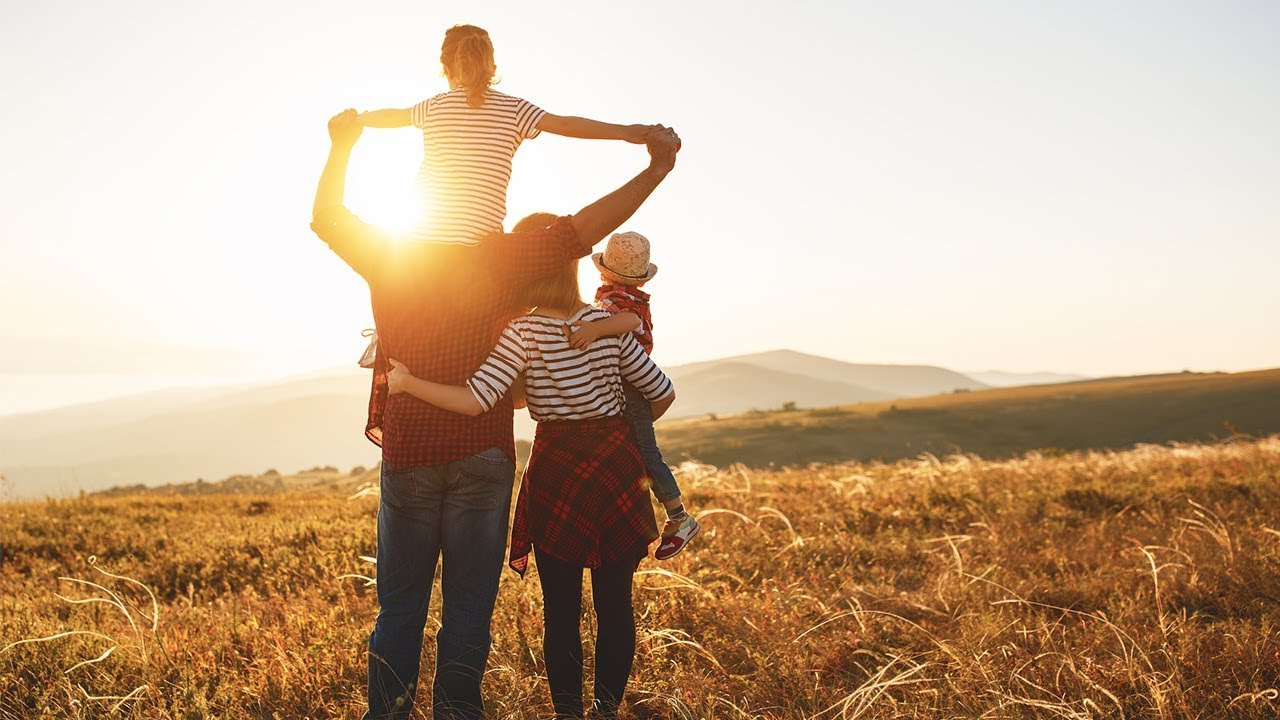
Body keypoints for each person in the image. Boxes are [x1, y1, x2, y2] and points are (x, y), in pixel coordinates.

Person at [310, 108, 680, 720]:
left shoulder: (389, 252)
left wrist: (342, 144)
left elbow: (326, 217)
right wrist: (655, 166)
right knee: (469, 607)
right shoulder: (507, 260)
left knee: (400, 606)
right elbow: (587, 228)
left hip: (410, 453)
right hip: (484, 455)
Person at [384, 250, 675, 720]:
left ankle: (567, 714)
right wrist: (617, 431)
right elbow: (662, 392)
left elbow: (477, 400)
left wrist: (408, 383)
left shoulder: (522, 331)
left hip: (557, 470)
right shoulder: (608, 323)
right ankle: (605, 711)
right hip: (616, 468)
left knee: (561, 610)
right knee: (615, 604)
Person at [357, 24, 655, 246]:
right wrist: (626, 132)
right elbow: (565, 125)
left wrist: (357, 119)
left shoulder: (433, 106)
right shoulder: (514, 109)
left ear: (446, 69)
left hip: (421, 239)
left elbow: (393, 116)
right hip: (480, 243)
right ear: (492, 67)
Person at [567, 231, 700, 559]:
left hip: (630, 383)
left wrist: (595, 330)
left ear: (604, 270)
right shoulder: (619, 295)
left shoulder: (621, 302)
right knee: (631, 450)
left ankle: (679, 516)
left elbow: (628, 322)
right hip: (624, 382)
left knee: (645, 452)